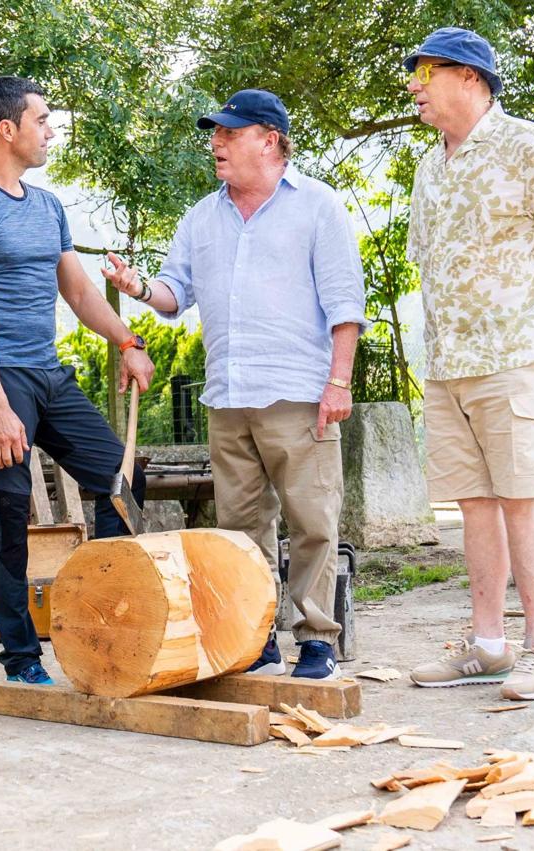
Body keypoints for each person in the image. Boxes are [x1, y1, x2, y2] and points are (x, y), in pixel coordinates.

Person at [101, 89, 366, 680]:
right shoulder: (203, 216)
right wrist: (139, 287)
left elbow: (346, 306)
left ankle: (317, 639)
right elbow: (175, 295)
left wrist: (339, 383)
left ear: (269, 140)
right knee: (240, 531)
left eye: (229, 132)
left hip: (300, 395)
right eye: (215, 133)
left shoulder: (318, 207)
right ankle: (254, 638)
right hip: (227, 398)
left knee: (313, 523)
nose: (216, 143)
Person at [0, 76, 156, 684]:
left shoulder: (48, 206)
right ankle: (21, 657)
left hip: (47, 374)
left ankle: (100, 613)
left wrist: (128, 342)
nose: (51, 130)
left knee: (122, 475)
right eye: (43, 119)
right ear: (8, 129)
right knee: (8, 515)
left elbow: (79, 290)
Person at [401, 28, 534, 700]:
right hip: (448, 364)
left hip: (515, 355)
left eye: (424, 70)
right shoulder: (431, 165)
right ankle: (489, 643)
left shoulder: (530, 147)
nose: (414, 84)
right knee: (475, 504)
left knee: (521, 497)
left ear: (472, 77)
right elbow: (428, 261)